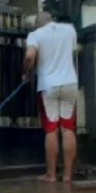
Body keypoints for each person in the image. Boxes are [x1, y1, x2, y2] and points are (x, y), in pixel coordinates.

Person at [24, 12, 79, 183]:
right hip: (70, 83)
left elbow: (29, 56)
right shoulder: (69, 30)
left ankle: (51, 175)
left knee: (51, 130)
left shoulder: (35, 34)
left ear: (38, 24)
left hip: (49, 85)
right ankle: (68, 175)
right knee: (68, 128)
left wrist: (25, 72)